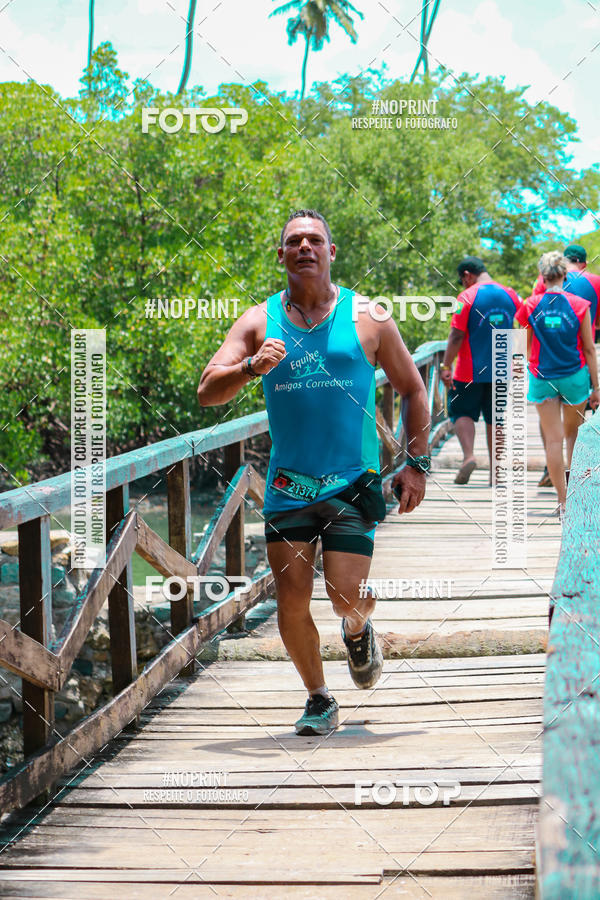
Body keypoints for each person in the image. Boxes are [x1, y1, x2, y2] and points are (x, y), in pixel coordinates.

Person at [197, 209, 430, 736]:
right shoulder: (258, 321)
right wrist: (250, 367)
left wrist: (415, 465)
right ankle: (318, 698)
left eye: (315, 240)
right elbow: (208, 390)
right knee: (292, 598)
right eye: (294, 241)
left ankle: (357, 627)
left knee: (345, 595)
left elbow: (414, 389)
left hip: (352, 480)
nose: (305, 247)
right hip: (289, 485)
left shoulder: (369, 316)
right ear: (280, 254)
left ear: (330, 252)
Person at [516, 251, 600, 513]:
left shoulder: (530, 305)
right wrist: (596, 387)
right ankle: (575, 498)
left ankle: (562, 502)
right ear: (565, 275)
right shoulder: (580, 305)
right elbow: (589, 349)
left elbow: (523, 345)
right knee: (573, 435)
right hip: (575, 376)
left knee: (553, 441)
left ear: (542, 276)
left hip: (542, 378)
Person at [440, 257, 521, 484]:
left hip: (469, 370)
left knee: (461, 411)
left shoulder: (465, 297)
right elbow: (521, 327)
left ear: (467, 275)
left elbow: (456, 335)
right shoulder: (511, 295)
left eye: (462, 280)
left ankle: (469, 457)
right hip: (501, 369)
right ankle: (496, 472)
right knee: (496, 417)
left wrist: (446, 365)